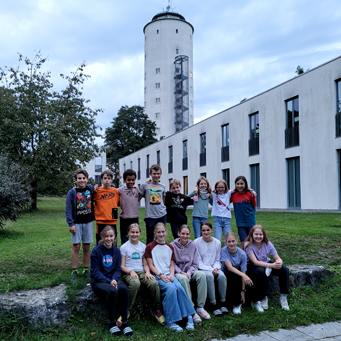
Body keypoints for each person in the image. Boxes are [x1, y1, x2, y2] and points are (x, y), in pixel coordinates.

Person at [145, 223, 196, 332]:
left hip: (169, 274)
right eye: (158, 232)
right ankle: (170, 320)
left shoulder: (170, 247)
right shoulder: (150, 247)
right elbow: (150, 265)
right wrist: (160, 275)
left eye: (163, 232)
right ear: (155, 233)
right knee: (171, 289)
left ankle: (189, 316)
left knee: (180, 288)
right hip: (158, 275)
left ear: (166, 232)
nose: (161, 234)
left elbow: (171, 264)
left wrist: (172, 274)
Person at [90, 226, 133, 337]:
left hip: (112, 279)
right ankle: (111, 322)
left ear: (114, 237)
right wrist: (109, 281)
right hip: (99, 281)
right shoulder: (96, 251)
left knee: (123, 289)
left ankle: (124, 322)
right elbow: (95, 271)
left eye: (111, 236)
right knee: (112, 291)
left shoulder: (116, 251)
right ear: (102, 237)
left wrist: (114, 279)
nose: (109, 239)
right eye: (106, 236)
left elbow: (117, 269)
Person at [120, 223, 165, 325]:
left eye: (137, 232)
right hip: (129, 272)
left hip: (141, 272)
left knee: (153, 283)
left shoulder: (143, 246)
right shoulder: (124, 247)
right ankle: (127, 310)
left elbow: (145, 264)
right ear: (128, 233)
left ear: (140, 233)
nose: (134, 234)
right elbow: (122, 266)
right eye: (132, 232)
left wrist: (148, 272)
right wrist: (130, 271)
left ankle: (157, 310)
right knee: (135, 283)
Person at [244, 225, 290, 313]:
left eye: (260, 234)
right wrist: (271, 266)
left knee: (284, 269)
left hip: (266, 263)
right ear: (252, 235)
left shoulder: (267, 243)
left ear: (264, 235)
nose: (258, 237)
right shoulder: (248, 244)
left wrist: (279, 262)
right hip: (252, 266)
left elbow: (277, 258)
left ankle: (283, 297)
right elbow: (255, 262)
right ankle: (264, 297)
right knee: (261, 271)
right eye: (256, 234)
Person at [171, 225, 210, 322]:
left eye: (187, 234)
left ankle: (200, 307)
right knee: (183, 279)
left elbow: (195, 264)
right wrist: (182, 273)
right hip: (178, 272)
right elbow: (171, 264)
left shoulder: (192, 245)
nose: (185, 236)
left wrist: (188, 273)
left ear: (190, 234)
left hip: (190, 272)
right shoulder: (172, 245)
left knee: (202, 275)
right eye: (183, 233)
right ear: (178, 233)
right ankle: (191, 309)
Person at [193, 221, 228, 316]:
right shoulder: (196, 242)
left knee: (222, 276)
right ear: (201, 231)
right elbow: (198, 260)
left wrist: (216, 268)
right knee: (209, 276)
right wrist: (210, 269)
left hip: (215, 267)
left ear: (211, 230)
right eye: (203, 230)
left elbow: (218, 259)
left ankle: (222, 302)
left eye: (208, 230)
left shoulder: (217, 242)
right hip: (203, 268)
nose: (206, 232)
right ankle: (213, 303)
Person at [65, 169, 94, 280]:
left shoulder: (90, 189)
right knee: (76, 246)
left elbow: (100, 187)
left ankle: (86, 268)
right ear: (75, 180)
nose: (82, 180)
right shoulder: (72, 192)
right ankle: (74, 270)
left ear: (87, 179)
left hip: (88, 222)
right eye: (79, 178)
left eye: (84, 178)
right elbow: (68, 209)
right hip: (76, 223)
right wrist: (70, 223)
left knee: (86, 246)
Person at [221, 232, 253, 314]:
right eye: (229, 242)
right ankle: (230, 303)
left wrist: (243, 290)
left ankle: (238, 304)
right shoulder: (224, 251)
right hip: (227, 272)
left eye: (233, 241)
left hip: (238, 273)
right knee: (233, 276)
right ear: (226, 242)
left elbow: (243, 271)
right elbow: (229, 267)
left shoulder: (242, 254)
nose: (231, 244)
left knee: (241, 278)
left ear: (236, 241)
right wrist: (243, 275)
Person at [140, 164, 167, 244]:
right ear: (150, 174)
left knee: (161, 236)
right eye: (154, 173)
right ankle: (149, 254)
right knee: (150, 237)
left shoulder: (163, 186)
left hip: (162, 215)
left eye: (158, 173)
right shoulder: (145, 185)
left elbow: (163, 200)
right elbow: (139, 196)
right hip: (150, 215)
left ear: (161, 174)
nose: (156, 175)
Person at [93, 170, 119, 245]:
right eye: (105, 178)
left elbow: (117, 202)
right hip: (101, 221)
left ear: (111, 180)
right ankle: (100, 256)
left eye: (109, 178)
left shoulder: (115, 191)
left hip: (112, 221)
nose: (107, 180)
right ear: (101, 179)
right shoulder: (97, 191)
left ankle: (113, 256)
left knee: (113, 243)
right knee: (100, 242)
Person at [231, 176, 257, 250]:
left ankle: (253, 256)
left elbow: (254, 206)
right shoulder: (233, 195)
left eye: (242, 183)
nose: (240, 186)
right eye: (237, 184)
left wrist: (251, 216)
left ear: (245, 184)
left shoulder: (250, 194)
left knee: (252, 240)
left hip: (250, 221)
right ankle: (243, 257)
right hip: (240, 222)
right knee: (243, 241)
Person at [118, 169, 141, 245]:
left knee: (134, 237)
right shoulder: (120, 190)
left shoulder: (137, 190)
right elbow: (109, 190)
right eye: (129, 180)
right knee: (124, 238)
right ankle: (124, 254)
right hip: (124, 218)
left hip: (134, 217)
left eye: (133, 180)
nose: (131, 182)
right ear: (124, 180)